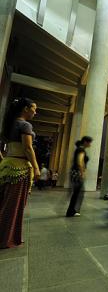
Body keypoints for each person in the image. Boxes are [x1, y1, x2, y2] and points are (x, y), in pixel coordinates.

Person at [0, 98, 39, 248]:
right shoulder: (25, 125)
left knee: (4, 201)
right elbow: (28, 148)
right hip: (19, 167)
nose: (35, 112)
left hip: (6, 164)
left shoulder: (9, 124)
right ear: (26, 109)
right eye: (34, 108)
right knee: (13, 205)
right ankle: (6, 238)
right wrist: (35, 167)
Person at [66, 136, 93, 217]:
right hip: (77, 172)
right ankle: (71, 211)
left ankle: (72, 210)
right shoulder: (81, 149)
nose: (90, 144)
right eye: (89, 142)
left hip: (75, 172)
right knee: (77, 192)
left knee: (77, 192)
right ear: (85, 142)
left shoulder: (79, 149)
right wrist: (82, 172)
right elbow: (80, 161)